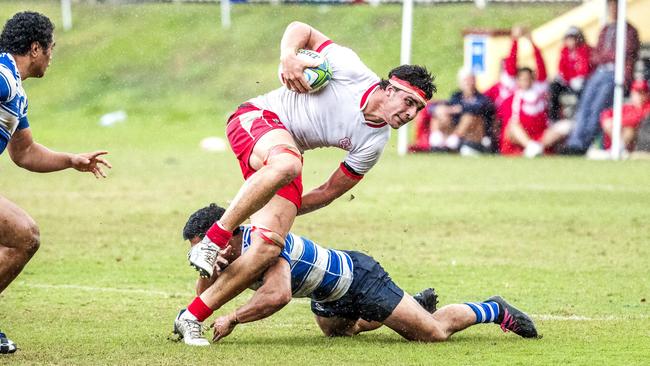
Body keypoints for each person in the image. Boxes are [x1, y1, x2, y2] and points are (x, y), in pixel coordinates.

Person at [175, 21, 436, 341]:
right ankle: (214, 240)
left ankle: (190, 316)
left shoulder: (374, 142)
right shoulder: (351, 69)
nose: (411, 114)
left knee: (268, 247)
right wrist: (288, 57)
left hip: (280, 161)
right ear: (389, 88)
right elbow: (302, 29)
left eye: (418, 109)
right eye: (409, 102)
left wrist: (271, 209)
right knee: (288, 163)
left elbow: (327, 192)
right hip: (255, 119)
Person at [175, 204, 539, 345]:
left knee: (432, 334)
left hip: (359, 279)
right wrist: (205, 275)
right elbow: (206, 293)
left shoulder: (262, 242)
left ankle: (494, 309)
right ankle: (409, 305)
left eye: (207, 245)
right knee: (341, 333)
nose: (207, 253)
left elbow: (277, 295)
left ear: (230, 231)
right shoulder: (229, 255)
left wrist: (233, 317)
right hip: (327, 297)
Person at [0, 12, 111, 354]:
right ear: (35, 49)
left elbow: (26, 152)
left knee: (24, 236)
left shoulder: (15, 91)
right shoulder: (2, 75)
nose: (52, 56)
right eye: (50, 48)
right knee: (24, 235)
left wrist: (70, 160)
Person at [562, 0, 640, 155]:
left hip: (615, 72)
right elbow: (597, 54)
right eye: (610, 6)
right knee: (585, 105)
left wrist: (611, 62)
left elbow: (624, 53)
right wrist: (604, 58)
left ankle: (583, 143)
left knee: (597, 106)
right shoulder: (606, 29)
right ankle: (574, 141)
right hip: (600, 71)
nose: (613, 9)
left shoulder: (629, 31)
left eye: (615, 5)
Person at [499, 31, 553, 158]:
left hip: (540, 134)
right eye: (522, 79)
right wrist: (515, 40)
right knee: (512, 126)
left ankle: (535, 148)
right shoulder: (513, 90)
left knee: (563, 128)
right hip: (519, 135)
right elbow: (511, 65)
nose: (525, 81)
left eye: (528, 78)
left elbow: (541, 66)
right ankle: (531, 147)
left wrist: (532, 43)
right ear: (517, 80)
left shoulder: (539, 90)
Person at [428, 68, 495, 155]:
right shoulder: (456, 96)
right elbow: (437, 107)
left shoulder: (481, 98)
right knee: (440, 114)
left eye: (470, 80)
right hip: (456, 128)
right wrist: (441, 109)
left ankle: (454, 140)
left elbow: (478, 108)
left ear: (474, 81)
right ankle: (436, 141)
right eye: (465, 80)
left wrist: (459, 109)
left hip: (477, 134)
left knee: (469, 116)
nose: (467, 83)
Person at [548, 26, 592, 123]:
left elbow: (584, 69)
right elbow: (561, 68)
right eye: (568, 38)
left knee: (582, 88)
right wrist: (566, 78)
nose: (571, 41)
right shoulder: (564, 51)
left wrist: (577, 78)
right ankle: (553, 118)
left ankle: (581, 116)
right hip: (568, 81)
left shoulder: (585, 50)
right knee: (554, 87)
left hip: (581, 82)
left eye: (573, 38)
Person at [599, 79, 650, 152]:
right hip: (618, 137)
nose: (639, 96)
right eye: (637, 92)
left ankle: (620, 148)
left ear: (647, 94)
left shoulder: (647, 106)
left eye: (642, 93)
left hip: (636, 142)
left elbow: (638, 119)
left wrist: (618, 121)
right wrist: (614, 122)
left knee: (629, 129)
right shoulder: (626, 107)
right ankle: (618, 148)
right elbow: (605, 114)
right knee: (609, 123)